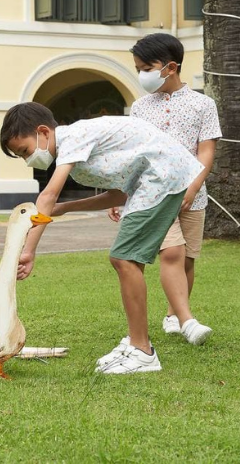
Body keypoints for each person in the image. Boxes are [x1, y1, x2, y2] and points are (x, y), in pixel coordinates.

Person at [0, 102, 205, 375]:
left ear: (43, 132)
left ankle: (142, 352)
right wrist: (67, 208)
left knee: (123, 258)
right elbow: (119, 194)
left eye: (25, 151)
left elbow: (47, 196)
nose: (28, 160)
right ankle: (136, 342)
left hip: (161, 175)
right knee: (128, 261)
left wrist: (29, 250)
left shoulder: (71, 139)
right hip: (160, 177)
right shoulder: (78, 152)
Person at [122, 33, 219, 340]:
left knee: (187, 258)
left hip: (195, 194)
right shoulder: (139, 108)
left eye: (146, 67)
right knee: (171, 254)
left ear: (171, 67)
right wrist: (122, 195)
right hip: (155, 193)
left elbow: (206, 151)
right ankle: (189, 322)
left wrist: (191, 189)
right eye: (138, 67)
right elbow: (134, 155)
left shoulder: (203, 104)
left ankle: (173, 314)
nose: (141, 74)